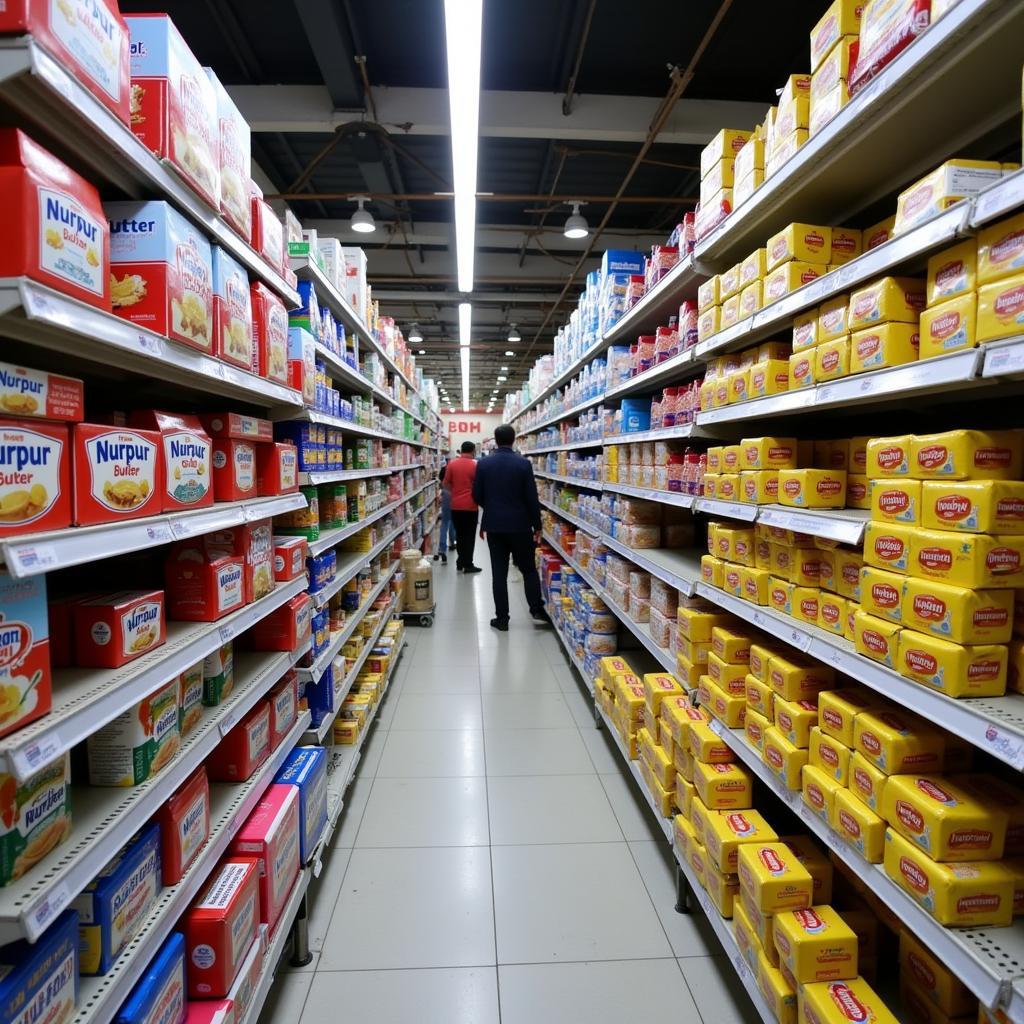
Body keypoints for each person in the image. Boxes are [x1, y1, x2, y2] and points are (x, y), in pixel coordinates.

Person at [472, 423, 549, 631]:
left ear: (495, 440)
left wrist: (491, 508)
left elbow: (476, 495)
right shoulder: (523, 464)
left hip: (495, 526)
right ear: (514, 439)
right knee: (528, 569)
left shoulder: (484, 464)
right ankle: (536, 610)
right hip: (520, 525)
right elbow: (531, 498)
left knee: (499, 573)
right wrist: (537, 525)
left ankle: (502, 618)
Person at [443, 441, 481, 573]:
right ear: (473, 451)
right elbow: (479, 485)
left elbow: (446, 484)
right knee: (469, 536)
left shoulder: (452, 464)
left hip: (456, 506)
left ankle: (460, 562)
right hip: (471, 506)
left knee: (460, 534)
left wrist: (455, 492)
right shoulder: (476, 465)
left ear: (461, 450)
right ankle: (468, 564)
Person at [434, 457, 458, 564]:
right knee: (453, 521)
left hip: (446, 495)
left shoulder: (444, 469)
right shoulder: (456, 469)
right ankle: (452, 543)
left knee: (444, 523)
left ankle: (442, 548)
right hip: (455, 495)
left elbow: (440, 480)